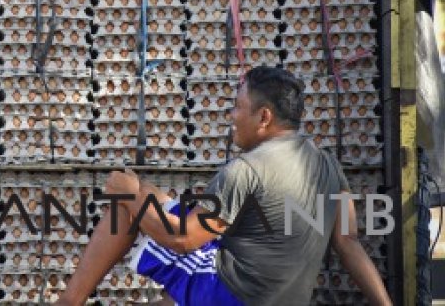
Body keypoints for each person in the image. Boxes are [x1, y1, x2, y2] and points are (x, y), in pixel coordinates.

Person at [53, 67, 391, 306]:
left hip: (232, 295)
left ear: (264, 117)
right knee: (158, 202)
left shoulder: (245, 170)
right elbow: (348, 242)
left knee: (129, 205)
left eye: (237, 107)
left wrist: (126, 192)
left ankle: (70, 301)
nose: (231, 116)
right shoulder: (327, 164)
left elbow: (183, 240)